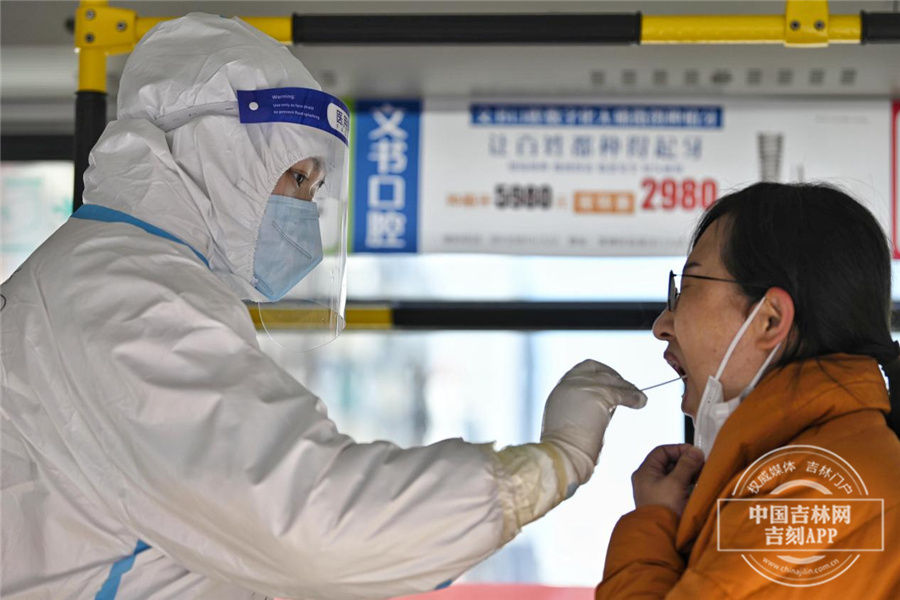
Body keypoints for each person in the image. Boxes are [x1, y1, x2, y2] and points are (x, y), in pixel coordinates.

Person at [0, 13, 647, 600]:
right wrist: (548, 467)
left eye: (314, 184)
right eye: (297, 176)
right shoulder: (130, 298)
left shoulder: (118, 277)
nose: (305, 207)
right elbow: (310, 523)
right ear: (218, 149)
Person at [596, 182, 900, 598]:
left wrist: (653, 524)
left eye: (687, 288)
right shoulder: (793, 472)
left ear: (770, 320)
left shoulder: (813, 492)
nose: (662, 325)